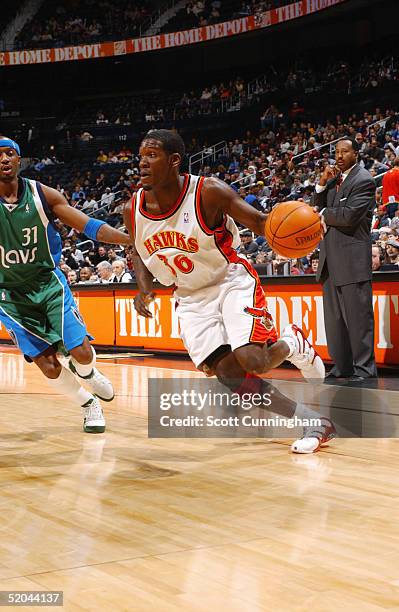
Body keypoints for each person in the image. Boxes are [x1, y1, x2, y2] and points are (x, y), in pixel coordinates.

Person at [124, 129, 334, 454]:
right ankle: (312, 421)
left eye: (151, 155)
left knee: (253, 359)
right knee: (229, 374)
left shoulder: (208, 192)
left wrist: (307, 221)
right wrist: (144, 288)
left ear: (174, 160)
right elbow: (138, 252)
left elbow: (262, 222)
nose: (142, 163)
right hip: (190, 296)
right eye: (141, 156)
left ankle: (292, 343)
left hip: (229, 279)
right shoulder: (132, 209)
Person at [0, 137, 131, 433]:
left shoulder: (43, 195)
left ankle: (88, 372)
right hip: (8, 295)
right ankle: (89, 405)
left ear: (20, 160)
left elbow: (88, 225)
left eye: (10, 153)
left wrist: (127, 239)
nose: (4, 159)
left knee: (81, 352)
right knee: (47, 365)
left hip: (48, 283)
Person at [313, 137, 377, 381]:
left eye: (345, 152)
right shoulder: (333, 182)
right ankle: (342, 366)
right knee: (335, 321)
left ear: (356, 154)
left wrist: (323, 213)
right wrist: (320, 185)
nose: (339, 156)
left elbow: (349, 217)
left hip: (352, 260)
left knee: (359, 320)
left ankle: (364, 369)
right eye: (336, 152)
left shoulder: (364, 180)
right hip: (330, 260)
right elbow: (314, 210)